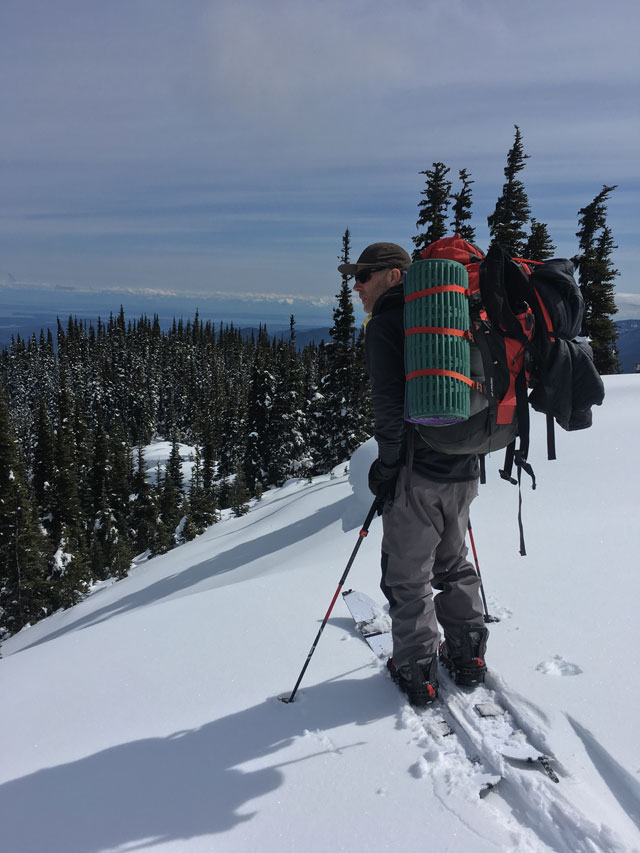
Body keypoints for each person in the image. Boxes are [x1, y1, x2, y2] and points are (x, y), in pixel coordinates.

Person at [338, 242, 488, 707]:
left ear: (394, 276)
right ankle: (468, 657)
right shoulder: (458, 316)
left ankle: (416, 670)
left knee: (407, 577)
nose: (356, 286)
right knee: (454, 562)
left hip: (415, 472)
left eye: (364, 276)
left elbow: (387, 404)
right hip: (463, 466)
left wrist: (385, 467)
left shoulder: (386, 323)